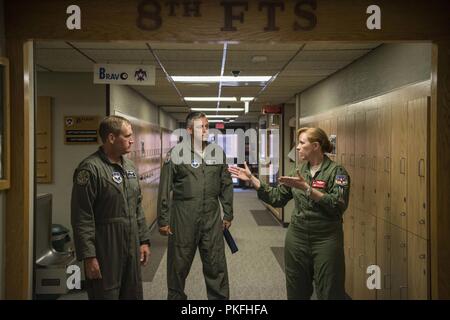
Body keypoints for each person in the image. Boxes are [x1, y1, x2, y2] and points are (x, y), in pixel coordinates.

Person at [229, 127, 350, 300]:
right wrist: (253, 180)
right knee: (296, 289)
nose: (298, 147)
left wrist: (307, 189)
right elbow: (277, 197)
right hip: (297, 237)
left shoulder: (337, 172)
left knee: (330, 290)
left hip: (325, 239)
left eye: (302, 143)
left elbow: (338, 206)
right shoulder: (298, 172)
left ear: (315, 146)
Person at [71, 115, 151, 300]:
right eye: (127, 136)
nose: (132, 140)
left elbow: (137, 206)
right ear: (111, 138)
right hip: (105, 247)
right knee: (106, 294)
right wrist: (89, 256)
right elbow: (82, 216)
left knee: (132, 293)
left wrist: (144, 240)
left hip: (131, 244)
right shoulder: (90, 169)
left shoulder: (130, 167)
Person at [157, 112, 234, 300]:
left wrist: (228, 213)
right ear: (190, 130)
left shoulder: (217, 153)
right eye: (201, 127)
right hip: (184, 217)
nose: (206, 130)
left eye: (207, 126)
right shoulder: (175, 154)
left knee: (216, 265)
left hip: (212, 217)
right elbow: (164, 189)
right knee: (178, 266)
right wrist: (163, 219)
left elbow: (226, 184)